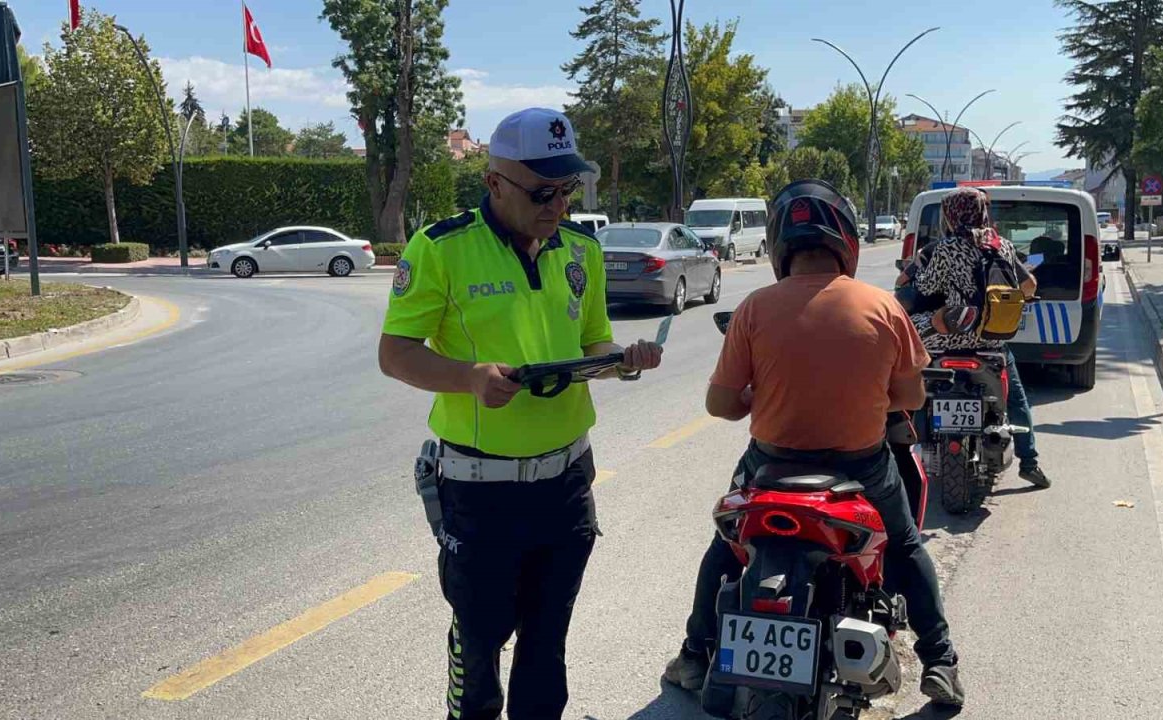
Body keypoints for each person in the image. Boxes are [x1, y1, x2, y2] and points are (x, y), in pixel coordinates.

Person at [378, 107, 662, 720]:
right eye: (542, 191)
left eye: (566, 189)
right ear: (495, 183)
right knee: (481, 643)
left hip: (565, 486)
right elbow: (394, 354)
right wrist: (468, 380)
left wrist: (621, 360)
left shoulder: (581, 249)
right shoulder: (441, 248)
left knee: (546, 642)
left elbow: (592, 343)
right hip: (480, 493)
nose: (557, 204)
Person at [663, 179, 965, 707]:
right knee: (907, 545)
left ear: (781, 245)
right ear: (845, 242)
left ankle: (693, 655)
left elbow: (721, 404)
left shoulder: (754, 308)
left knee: (725, 549)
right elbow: (910, 396)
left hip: (769, 466)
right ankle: (939, 661)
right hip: (862, 467)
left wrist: (759, 396)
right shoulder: (882, 306)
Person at [903, 187, 1050, 488]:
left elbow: (927, 288)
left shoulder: (944, 248)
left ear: (950, 215)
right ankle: (1030, 462)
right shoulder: (1003, 246)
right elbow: (1029, 286)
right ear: (983, 212)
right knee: (1017, 399)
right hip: (989, 342)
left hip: (947, 340)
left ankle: (910, 453)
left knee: (917, 386)